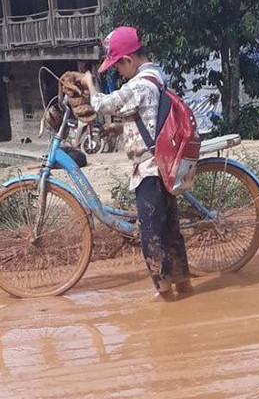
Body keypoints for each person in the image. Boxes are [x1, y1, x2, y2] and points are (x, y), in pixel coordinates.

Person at [80, 26, 192, 301]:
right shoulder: (156, 76)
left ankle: (166, 297)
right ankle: (183, 286)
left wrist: (89, 83)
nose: (118, 73)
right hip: (162, 165)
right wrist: (120, 130)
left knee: (152, 235)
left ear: (128, 60)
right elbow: (149, 118)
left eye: (118, 66)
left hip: (150, 170)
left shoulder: (139, 85)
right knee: (170, 231)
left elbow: (103, 105)